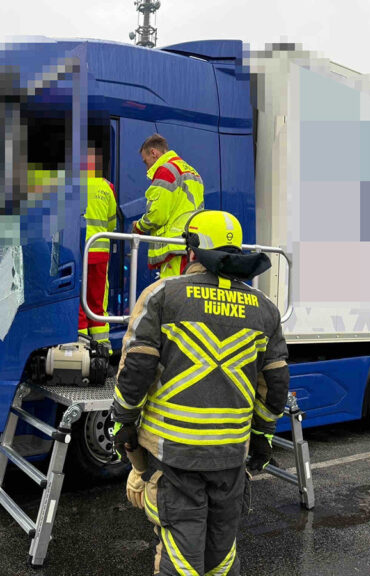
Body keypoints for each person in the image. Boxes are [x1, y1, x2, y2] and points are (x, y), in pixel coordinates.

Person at [111, 209, 290, 576]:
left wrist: (123, 422)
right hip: (230, 456)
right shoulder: (265, 311)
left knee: (180, 557)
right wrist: (261, 436)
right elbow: (275, 387)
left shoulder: (162, 295)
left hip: (176, 456)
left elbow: (137, 368)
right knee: (222, 556)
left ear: (190, 249)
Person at [132, 134, 204, 279]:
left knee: (172, 296)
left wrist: (139, 226)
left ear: (153, 153)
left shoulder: (166, 170)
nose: (147, 169)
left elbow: (158, 215)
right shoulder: (192, 172)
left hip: (173, 248)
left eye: (146, 162)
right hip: (190, 245)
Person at [78, 146, 118, 346]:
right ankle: (102, 350)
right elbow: (112, 224)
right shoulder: (106, 187)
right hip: (100, 253)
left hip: (77, 253)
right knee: (97, 303)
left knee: (78, 301)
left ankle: (80, 346)